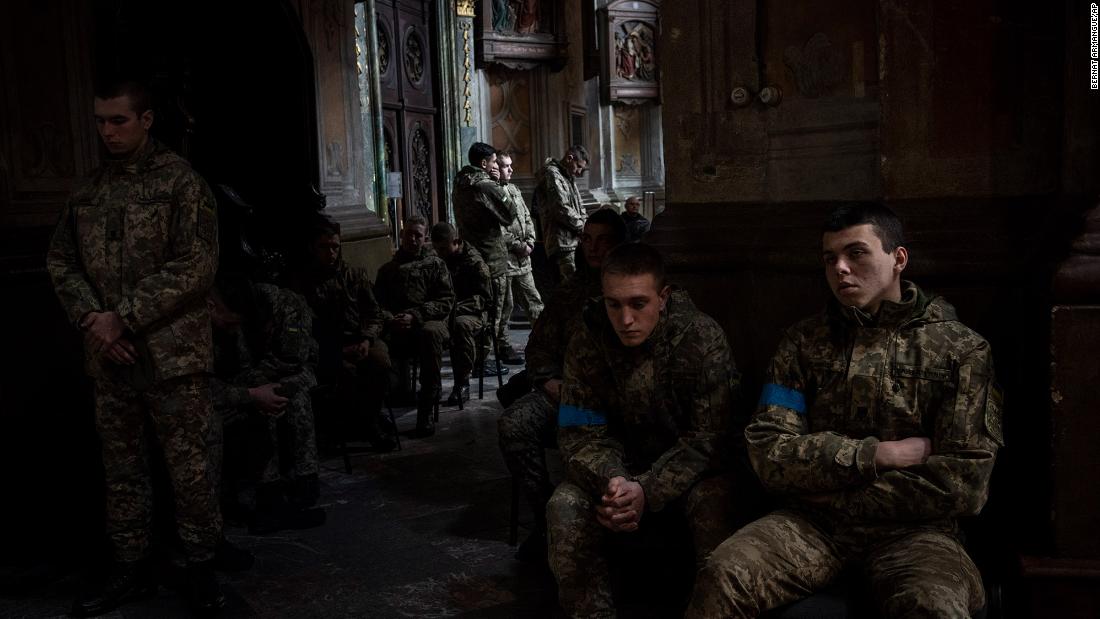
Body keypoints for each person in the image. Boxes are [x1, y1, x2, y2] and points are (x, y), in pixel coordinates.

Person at [687, 203, 1003, 618]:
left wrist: (833, 491)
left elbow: (964, 483)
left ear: (898, 259)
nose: (840, 268)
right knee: (723, 575)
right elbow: (768, 452)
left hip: (915, 534)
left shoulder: (960, 351)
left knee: (933, 605)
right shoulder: (803, 343)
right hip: (811, 525)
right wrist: (874, 455)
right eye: (830, 258)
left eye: (856, 253)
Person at [46, 79, 224, 615]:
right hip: (109, 358)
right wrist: (91, 321)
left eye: (118, 120)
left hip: (172, 359)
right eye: (100, 121)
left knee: (189, 469)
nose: (107, 131)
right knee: (122, 471)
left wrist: (121, 319)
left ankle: (201, 568)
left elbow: (195, 267)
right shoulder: (88, 189)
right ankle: (130, 568)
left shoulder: (182, 184)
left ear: (146, 120)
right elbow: (61, 261)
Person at [546, 242, 743, 617]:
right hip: (618, 472)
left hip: (690, 473)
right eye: (613, 304)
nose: (625, 320)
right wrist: (615, 482)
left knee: (716, 503)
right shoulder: (587, 340)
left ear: (663, 297)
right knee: (564, 506)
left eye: (638, 304)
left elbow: (710, 438)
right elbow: (578, 432)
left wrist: (647, 488)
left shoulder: (702, 339)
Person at [497, 208, 627, 563]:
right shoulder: (569, 292)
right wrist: (547, 378)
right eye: (587, 240)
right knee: (514, 424)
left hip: (618, 398)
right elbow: (539, 345)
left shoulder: (632, 289)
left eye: (604, 241)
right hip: (564, 392)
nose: (593, 248)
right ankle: (544, 520)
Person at [208, 273, 326, 535]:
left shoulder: (284, 305)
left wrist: (252, 388)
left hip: (287, 372)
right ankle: (267, 493)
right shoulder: (215, 321)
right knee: (261, 404)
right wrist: (251, 391)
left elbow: (292, 358)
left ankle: (303, 480)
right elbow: (219, 378)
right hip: (239, 385)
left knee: (285, 396)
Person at [290, 216, 397, 452]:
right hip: (325, 347)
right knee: (343, 372)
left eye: (335, 247)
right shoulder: (303, 282)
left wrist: (367, 339)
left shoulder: (354, 275)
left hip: (359, 339)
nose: (331, 253)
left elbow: (374, 314)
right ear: (312, 247)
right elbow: (301, 327)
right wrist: (333, 350)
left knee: (381, 363)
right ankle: (356, 425)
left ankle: (371, 421)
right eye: (324, 247)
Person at [375, 216, 455, 437]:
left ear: (425, 237)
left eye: (418, 235)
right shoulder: (388, 270)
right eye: (409, 233)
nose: (412, 239)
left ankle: (426, 410)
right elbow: (376, 304)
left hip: (427, 322)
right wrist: (391, 318)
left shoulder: (435, 265)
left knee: (430, 335)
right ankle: (377, 415)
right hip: (396, 324)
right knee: (373, 346)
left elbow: (446, 300)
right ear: (401, 235)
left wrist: (415, 315)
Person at [453, 142, 520, 367]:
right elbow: (510, 213)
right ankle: (482, 362)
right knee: (493, 312)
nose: (496, 166)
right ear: (484, 163)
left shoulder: (460, 182)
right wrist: (496, 182)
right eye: (493, 162)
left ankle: (480, 359)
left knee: (480, 308)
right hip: (491, 258)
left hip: (471, 256)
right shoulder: (485, 185)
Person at [430, 222, 492, 406]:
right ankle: (432, 385)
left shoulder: (474, 263)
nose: (439, 253)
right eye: (436, 249)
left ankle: (462, 383)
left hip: (473, 312)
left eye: (443, 248)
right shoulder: (439, 260)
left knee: (460, 325)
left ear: (456, 242)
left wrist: (454, 308)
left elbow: (484, 299)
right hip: (448, 309)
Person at [497, 150, 544, 357]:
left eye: (510, 165)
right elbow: (498, 229)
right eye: (506, 166)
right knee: (504, 307)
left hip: (523, 259)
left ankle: (543, 340)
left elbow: (526, 216)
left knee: (533, 301)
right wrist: (518, 245)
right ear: (495, 167)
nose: (511, 169)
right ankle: (503, 346)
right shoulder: (491, 191)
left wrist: (530, 241)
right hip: (506, 260)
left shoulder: (514, 189)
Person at [533, 145, 589, 280]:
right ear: (570, 158)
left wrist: (586, 223)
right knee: (568, 285)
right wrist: (583, 227)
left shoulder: (567, 176)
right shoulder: (552, 174)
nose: (579, 172)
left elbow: (579, 205)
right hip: (561, 241)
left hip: (573, 238)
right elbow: (560, 208)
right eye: (579, 166)